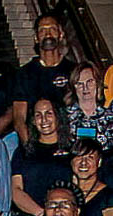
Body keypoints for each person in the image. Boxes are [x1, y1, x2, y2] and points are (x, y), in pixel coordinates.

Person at [9, 97, 69, 216]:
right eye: (38, 115)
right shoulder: (23, 152)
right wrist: (41, 213)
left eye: (49, 113)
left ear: (58, 117)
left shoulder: (73, 150)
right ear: (33, 121)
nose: (44, 119)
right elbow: (15, 190)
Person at [12, 15, 77, 143]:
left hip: (68, 142)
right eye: (42, 30)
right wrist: (31, 148)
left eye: (52, 29)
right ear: (36, 38)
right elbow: (19, 118)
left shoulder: (74, 71)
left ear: (61, 34)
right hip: (37, 142)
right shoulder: (24, 74)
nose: (48, 34)